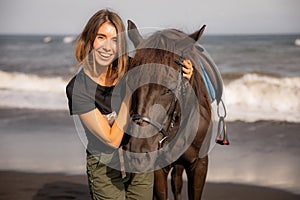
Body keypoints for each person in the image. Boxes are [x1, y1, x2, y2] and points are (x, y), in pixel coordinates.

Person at [66, 9, 194, 200]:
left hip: (139, 157)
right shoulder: (79, 88)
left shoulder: (133, 67)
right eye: (101, 37)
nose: (107, 47)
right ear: (90, 39)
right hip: (104, 165)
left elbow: (162, 84)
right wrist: (129, 95)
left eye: (115, 40)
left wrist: (185, 75)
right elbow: (111, 139)